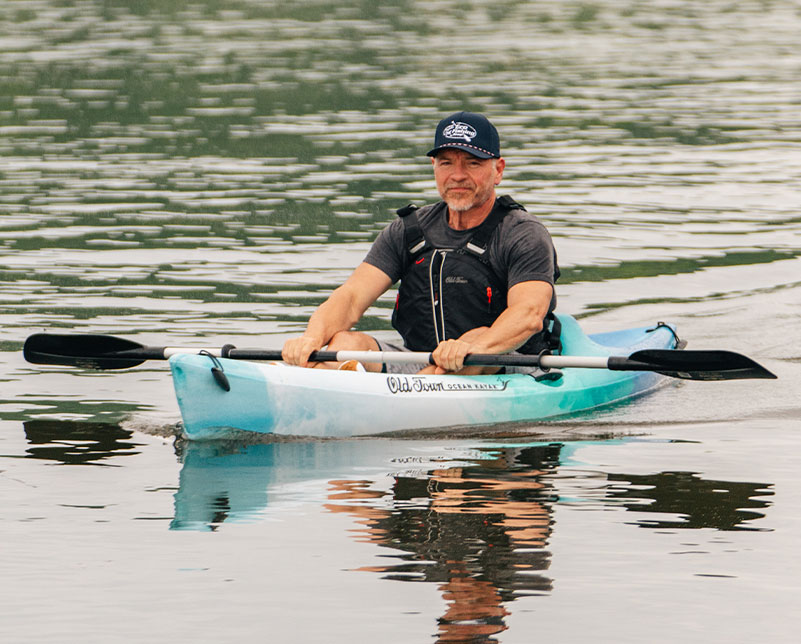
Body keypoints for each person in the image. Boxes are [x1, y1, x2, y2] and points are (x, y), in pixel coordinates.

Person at [282, 111, 559, 375]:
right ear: (434, 167)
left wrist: (469, 348)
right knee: (344, 342)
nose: (458, 175)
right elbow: (352, 297)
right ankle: (316, 383)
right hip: (418, 359)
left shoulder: (523, 233)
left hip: (502, 361)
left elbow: (529, 314)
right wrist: (311, 339)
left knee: (475, 344)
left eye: (472, 163)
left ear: (498, 170)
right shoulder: (408, 230)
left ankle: (389, 400)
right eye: (446, 162)